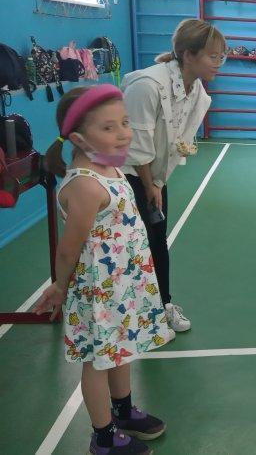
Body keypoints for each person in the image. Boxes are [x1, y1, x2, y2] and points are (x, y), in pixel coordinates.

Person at [35, 85, 171, 455]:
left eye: (125, 122)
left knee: (120, 350)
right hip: (98, 292)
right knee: (97, 363)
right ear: (78, 138)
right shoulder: (85, 184)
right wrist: (59, 287)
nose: (124, 133)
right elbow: (69, 249)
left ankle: (123, 411)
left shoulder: (111, 169)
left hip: (122, 286)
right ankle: (104, 437)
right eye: (109, 127)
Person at [122, 19, 227, 332]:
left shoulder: (195, 89)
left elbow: (175, 137)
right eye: (213, 56)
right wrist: (149, 185)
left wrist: (157, 182)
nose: (218, 63)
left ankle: (160, 306)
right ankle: (133, 314)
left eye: (221, 56)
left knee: (157, 240)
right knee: (132, 244)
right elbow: (136, 144)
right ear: (188, 55)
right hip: (125, 176)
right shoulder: (147, 85)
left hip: (152, 177)